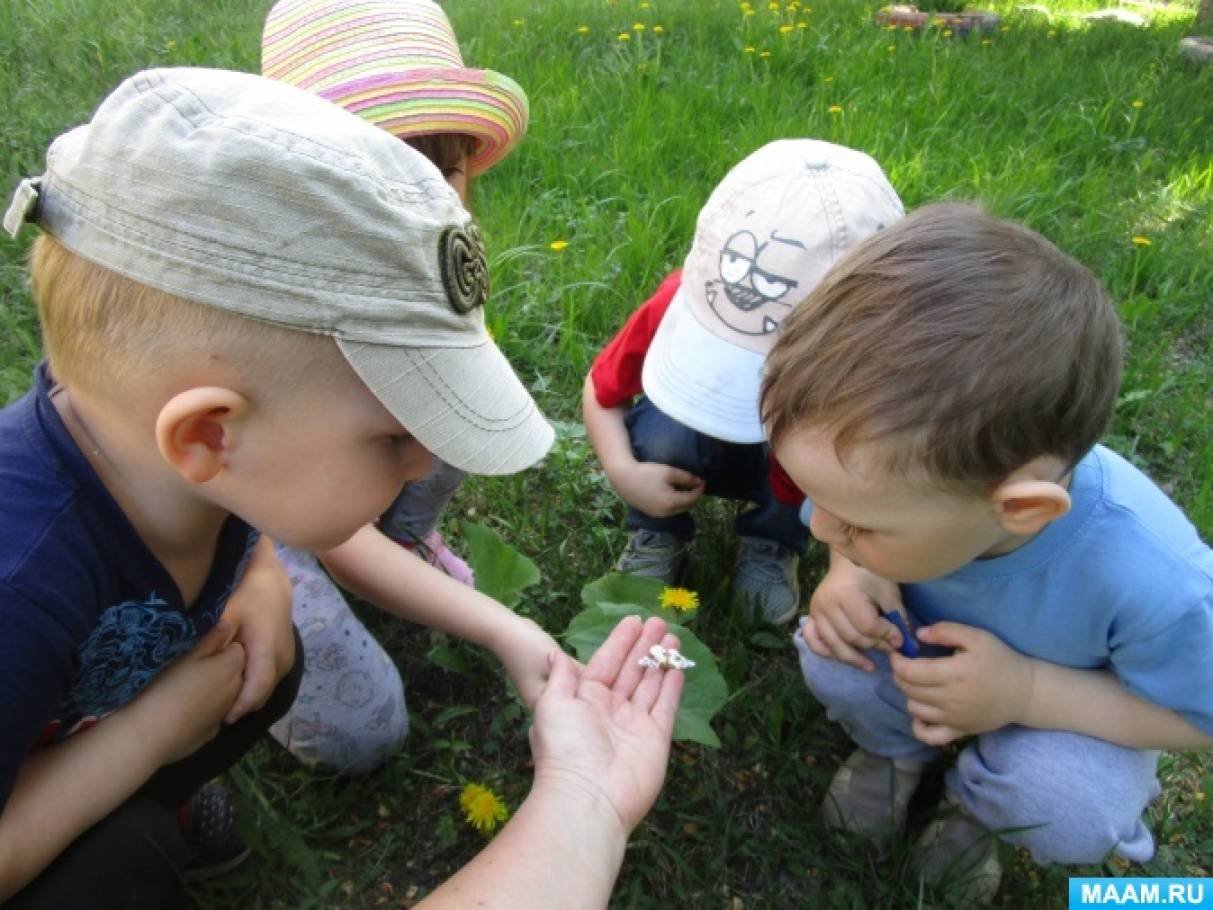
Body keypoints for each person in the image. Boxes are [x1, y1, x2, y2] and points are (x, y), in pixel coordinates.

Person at [0, 66, 559, 905]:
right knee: (120, 866)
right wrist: (147, 740)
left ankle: (148, 802)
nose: (424, 462)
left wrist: (259, 571)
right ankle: (140, 817)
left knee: (271, 645)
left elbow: (260, 535)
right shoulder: (20, 586)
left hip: (89, 717)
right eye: (394, 439)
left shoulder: (177, 467)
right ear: (207, 435)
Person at [760, 203, 1213, 902]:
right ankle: (895, 750)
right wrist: (854, 570)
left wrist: (1024, 692)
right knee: (833, 646)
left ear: (1019, 511)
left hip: (1069, 711)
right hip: (923, 655)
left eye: (856, 526)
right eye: (816, 499)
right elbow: (846, 534)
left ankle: (978, 811)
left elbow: (1196, 715)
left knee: (1067, 805)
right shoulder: (888, 495)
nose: (819, 531)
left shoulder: (1155, 580)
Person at [259, 0, 539, 772]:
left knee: (464, 402)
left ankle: (406, 535)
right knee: (361, 731)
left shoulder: (437, 258)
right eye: (374, 166)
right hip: (252, 520)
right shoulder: (268, 309)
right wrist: (496, 625)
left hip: (341, 475)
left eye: (439, 167)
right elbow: (325, 528)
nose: (417, 199)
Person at [583, 139, 904, 623]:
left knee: (819, 455)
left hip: (789, 466)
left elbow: (865, 471)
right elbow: (601, 388)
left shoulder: (875, 361)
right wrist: (623, 472)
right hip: (690, 449)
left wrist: (849, 566)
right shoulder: (681, 301)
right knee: (662, 423)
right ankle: (658, 530)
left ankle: (773, 541)